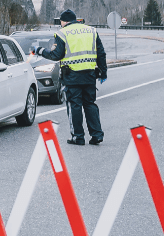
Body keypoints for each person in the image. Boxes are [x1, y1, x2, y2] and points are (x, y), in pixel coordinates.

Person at [31, 9, 107, 145]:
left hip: (72, 76)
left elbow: (56, 55)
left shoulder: (62, 33)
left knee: (74, 106)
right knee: (90, 104)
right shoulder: (91, 31)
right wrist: (103, 72)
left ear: (64, 21)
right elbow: (101, 53)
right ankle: (96, 135)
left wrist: (40, 50)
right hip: (89, 75)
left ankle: (78, 137)